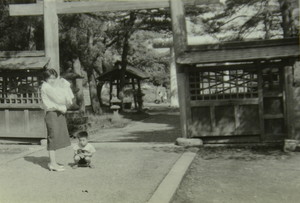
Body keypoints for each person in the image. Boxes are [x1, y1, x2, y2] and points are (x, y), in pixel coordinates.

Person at [41, 68, 73, 172]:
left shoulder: (51, 87)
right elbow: (60, 99)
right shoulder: (46, 87)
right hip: (52, 114)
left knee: (55, 137)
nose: (52, 80)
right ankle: (52, 163)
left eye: (54, 78)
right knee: (53, 137)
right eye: (50, 78)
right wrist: (64, 89)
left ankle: (53, 162)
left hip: (57, 113)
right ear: (46, 78)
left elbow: (61, 100)